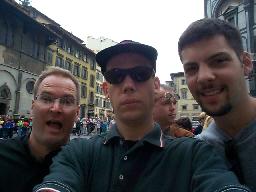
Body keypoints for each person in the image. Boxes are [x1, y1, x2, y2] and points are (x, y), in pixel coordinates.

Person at [34, 40, 250, 192]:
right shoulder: (79, 153)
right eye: (116, 76)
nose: (128, 85)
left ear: (156, 86)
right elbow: (59, 183)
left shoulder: (194, 154)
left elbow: (219, 182)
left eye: (140, 74)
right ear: (107, 89)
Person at [178, 18, 256, 191]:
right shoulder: (196, 151)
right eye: (192, 68)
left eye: (219, 61)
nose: (204, 76)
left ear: (246, 64)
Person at [0, 67, 80, 192]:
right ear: (33, 107)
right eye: (47, 99)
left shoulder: (86, 167)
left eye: (67, 101)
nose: (55, 108)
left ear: (77, 113)